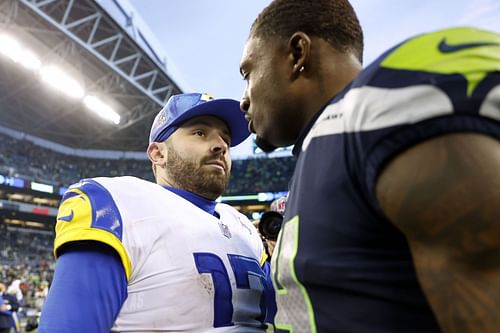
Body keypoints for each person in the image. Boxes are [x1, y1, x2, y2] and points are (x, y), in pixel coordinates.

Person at [239, 0, 500, 332]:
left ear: (297, 53)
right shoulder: (325, 144)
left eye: (247, 72)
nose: (244, 98)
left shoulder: (380, 109)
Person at [38, 93, 276, 332]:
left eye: (225, 139)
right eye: (200, 133)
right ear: (158, 153)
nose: (220, 146)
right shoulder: (119, 205)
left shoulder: (245, 228)